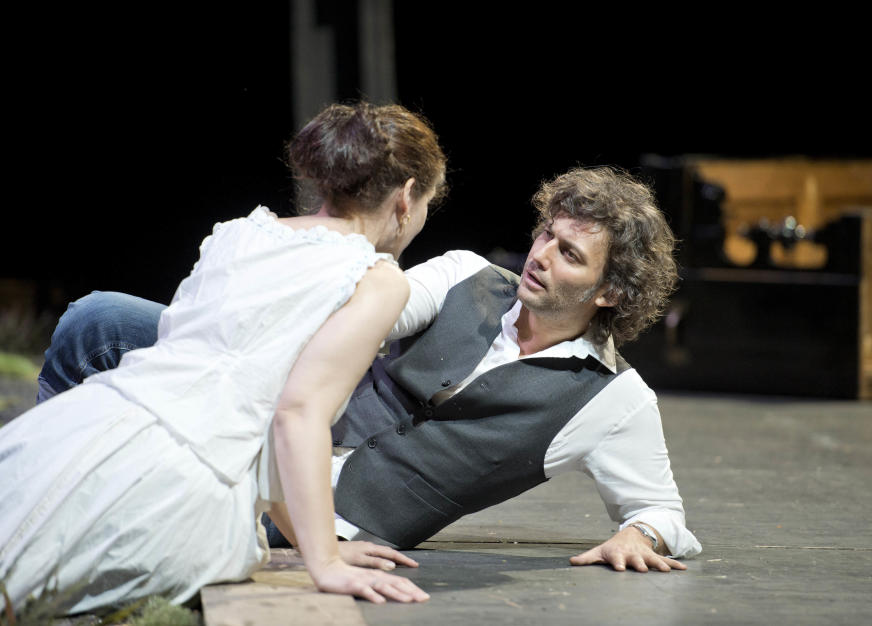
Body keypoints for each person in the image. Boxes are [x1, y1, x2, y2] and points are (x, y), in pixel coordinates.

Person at [34, 166, 703, 574]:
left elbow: (661, 510)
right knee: (101, 319)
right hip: (274, 426)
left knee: (136, 488)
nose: (540, 255)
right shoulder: (467, 273)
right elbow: (370, 311)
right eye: (544, 236)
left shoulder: (615, 401)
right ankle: (36, 477)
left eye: (568, 255)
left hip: (320, 517)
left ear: (610, 292)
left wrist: (638, 534)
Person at [0, 101, 447, 613]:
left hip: (86, 425)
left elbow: (257, 423)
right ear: (408, 196)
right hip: (177, 483)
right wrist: (326, 562)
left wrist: (309, 543)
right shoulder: (377, 278)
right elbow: (295, 415)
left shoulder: (239, 232)